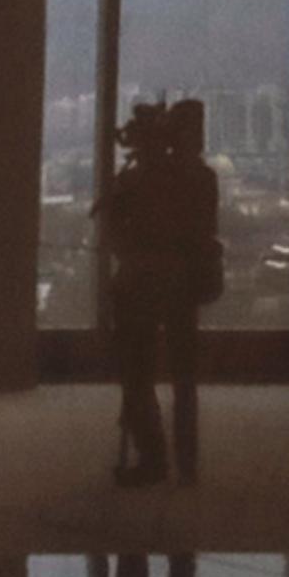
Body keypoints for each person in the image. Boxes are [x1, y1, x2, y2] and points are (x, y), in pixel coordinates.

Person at [96, 95, 220, 490]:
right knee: (183, 378)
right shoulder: (201, 178)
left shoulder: (138, 177)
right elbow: (202, 231)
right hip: (181, 283)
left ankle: (153, 459)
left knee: (139, 372)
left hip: (141, 284)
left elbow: (115, 228)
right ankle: (186, 463)